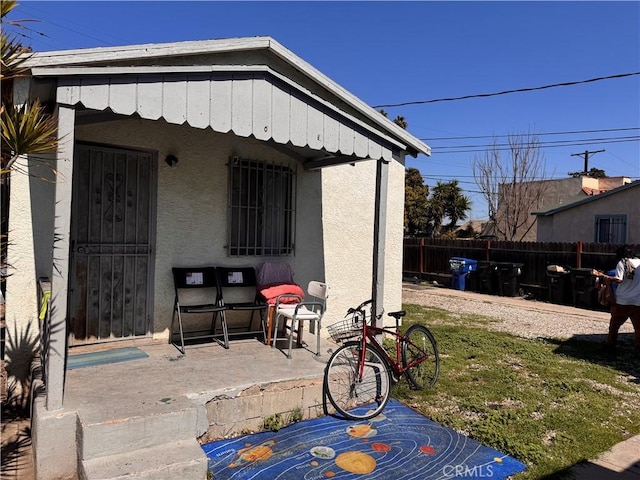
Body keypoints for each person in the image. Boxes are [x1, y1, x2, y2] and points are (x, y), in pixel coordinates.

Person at [595, 245, 640, 358]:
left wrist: (605, 277)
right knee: (638, 328)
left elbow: (619, 280)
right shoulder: (639, 263)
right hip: (637, 301)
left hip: (622, 301)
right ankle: (638, 351)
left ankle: (610, 347)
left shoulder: (622, 263)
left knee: (614, 325)